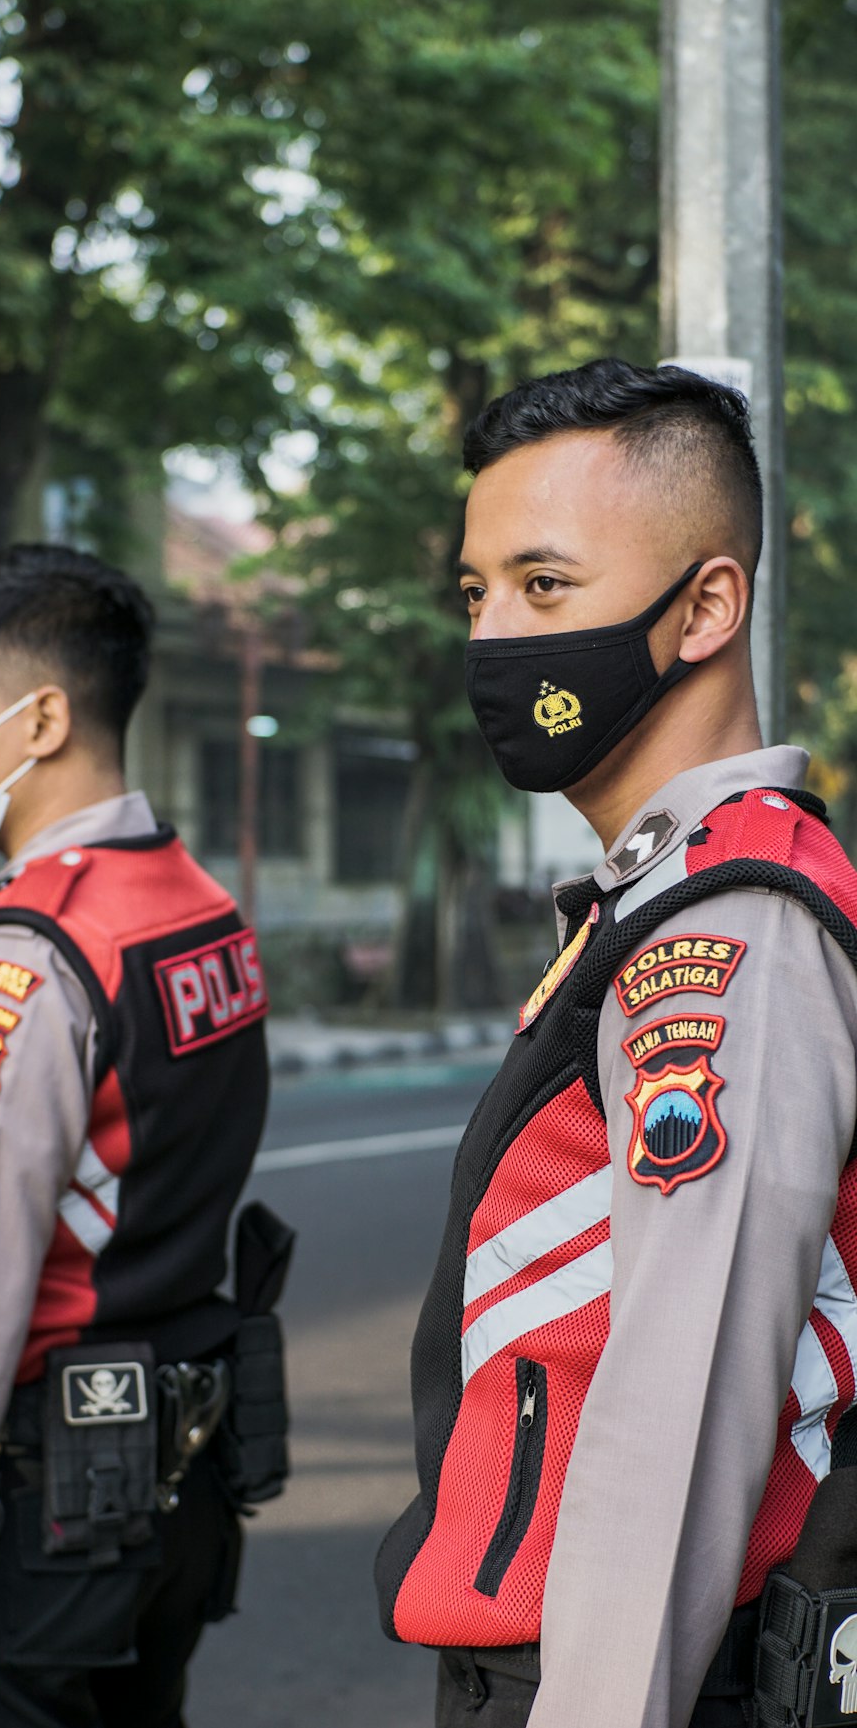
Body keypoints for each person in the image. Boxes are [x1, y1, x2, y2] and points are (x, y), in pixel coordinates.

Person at [374, 359, 857, 1728]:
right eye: (477, 594)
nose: (495, 636)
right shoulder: (664, 901)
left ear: (707, 604)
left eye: (544, 585)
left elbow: (675, 1428)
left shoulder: (733, 929)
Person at [0, 544, 278, 1728]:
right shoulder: (194, 908)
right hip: (168, 1499)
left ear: (37, 719)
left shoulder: (27, 952)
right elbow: (3, 1127)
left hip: (32, 1523)